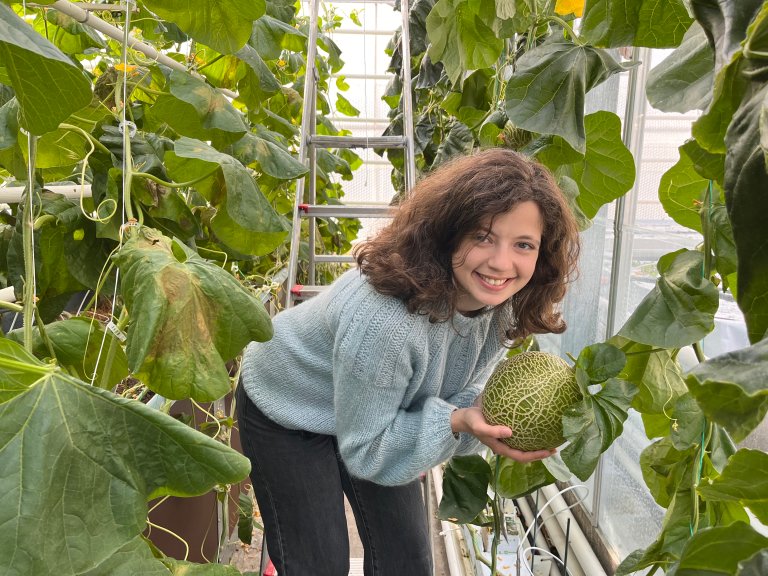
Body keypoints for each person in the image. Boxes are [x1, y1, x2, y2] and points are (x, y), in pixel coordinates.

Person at [236, 148, 581, 576]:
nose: (500, 262)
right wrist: (455, 422)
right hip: (287, 405)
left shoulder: (502, 306)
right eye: (483, 236)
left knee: (409, 560)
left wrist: (475, 419)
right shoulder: (388, 323)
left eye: (523, 244)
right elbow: (367, 451)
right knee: (319, 564)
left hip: (378, 412)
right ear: (448, 232)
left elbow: (462, 391)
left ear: (541, 253)